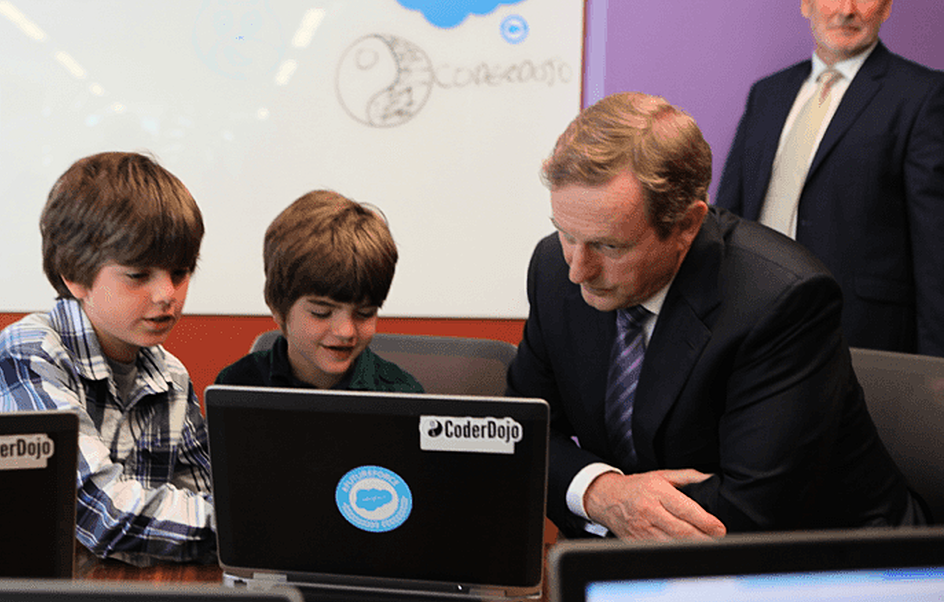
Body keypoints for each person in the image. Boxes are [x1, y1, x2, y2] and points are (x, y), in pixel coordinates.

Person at [506, 92, 923, 541]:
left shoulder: (782, 301)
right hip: (641, 565)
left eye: (609, 246)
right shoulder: (554, 269)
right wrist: (600, 493)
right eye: (566, 233)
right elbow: (518, 434)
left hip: (826, 563)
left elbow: (748, 512)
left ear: (687, 225)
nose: (578, 269)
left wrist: (615, 506)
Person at [0, 151, 215, 565]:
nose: (167, 294)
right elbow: (102, 513)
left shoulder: (170, 375)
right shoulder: (29, 354)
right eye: (138, 275)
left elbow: (204, 490)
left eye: (180, 272)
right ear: (75, 276)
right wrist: (246, 528)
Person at [716, 0, 944, 356]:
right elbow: (729, 213)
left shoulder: (922, 95)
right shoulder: (767, 93)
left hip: (858, 333)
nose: (846, 9)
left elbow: (935, 246)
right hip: (753, 320)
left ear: (886, 7)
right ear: (806, 4)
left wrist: (937, 367)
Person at [215, 190, 423, 392]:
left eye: (364, 313)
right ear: (278, 308)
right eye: (321, 313)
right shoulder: (236, 384)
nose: (346, 332)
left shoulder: (402, 393)